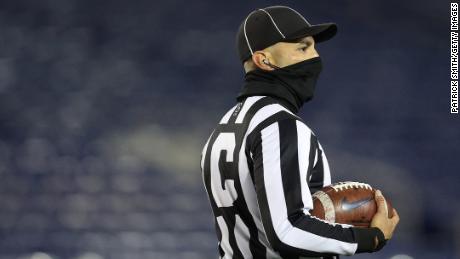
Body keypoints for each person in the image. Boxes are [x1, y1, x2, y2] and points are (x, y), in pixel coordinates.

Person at [200, 5, 399, 259]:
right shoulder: (279, 124)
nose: (315, 58)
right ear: (264, 60)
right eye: (302, 47)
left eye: (314, 47)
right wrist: (371, 237)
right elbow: (287, 230)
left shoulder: (221, 129)